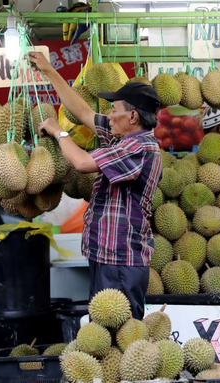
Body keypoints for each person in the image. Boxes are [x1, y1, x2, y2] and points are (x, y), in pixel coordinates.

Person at [28, 52, 162, 320]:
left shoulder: (140, 147)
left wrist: (58, 131)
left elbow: (81, 163)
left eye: (115, 110)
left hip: (121, 259)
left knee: (123, 338)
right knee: (103, 335)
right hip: (107, 255)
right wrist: (49, 71)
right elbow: (82, 111)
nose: (109, 115)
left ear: (133, 116)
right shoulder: (120, 139)